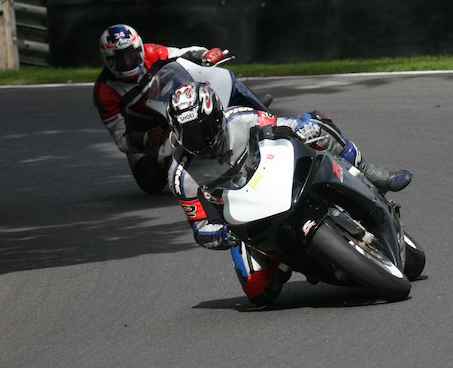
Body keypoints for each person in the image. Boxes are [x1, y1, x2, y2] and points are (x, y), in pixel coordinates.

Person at [166, 82, 413, 305]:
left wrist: (302, 129)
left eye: (204, 129)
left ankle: (369, 172)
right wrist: (226, 234)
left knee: (315, 122)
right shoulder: (180, 176)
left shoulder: (239, 118)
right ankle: (285, 261)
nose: (200, 140)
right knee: (258, 292)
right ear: (176, 132)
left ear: (218, 116)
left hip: (273, 175)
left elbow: (279, 123)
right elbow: (201, 229)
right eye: (189, 134)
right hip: (245, 221)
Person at [93, 23, 226, 194]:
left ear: (140, 50)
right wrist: (145, 138)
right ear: (107, 60)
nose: (128, 63)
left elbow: (184, 53)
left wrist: (206, 55)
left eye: (131, 56)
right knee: (151, 181)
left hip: (174, 107)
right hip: (145, 130)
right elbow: (121, 138)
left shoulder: (151, 52)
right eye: (120, 60)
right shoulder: (104, 91)